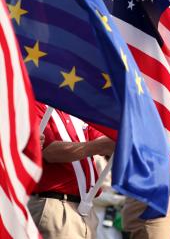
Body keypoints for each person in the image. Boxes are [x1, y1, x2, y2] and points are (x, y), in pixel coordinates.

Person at [28, 102, 115, 239]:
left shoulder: (77, 111)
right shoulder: (36, 104)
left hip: (85, 210)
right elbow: (49, 152)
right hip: (55, 206)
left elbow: (105, 141)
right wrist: (97, 146)